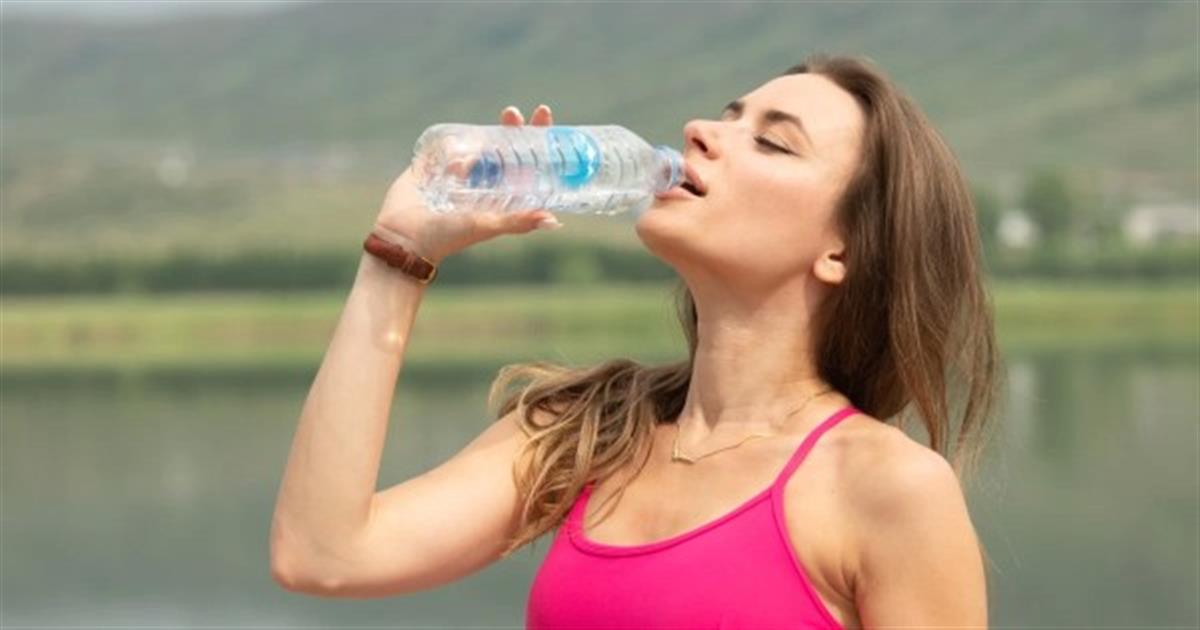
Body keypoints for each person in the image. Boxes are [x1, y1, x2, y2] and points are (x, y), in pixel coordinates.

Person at [269, 53, 1001, 630]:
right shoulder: (588, 432)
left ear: (842, 250)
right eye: (727, 116)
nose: (700, 130)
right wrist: (398, 252)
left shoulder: (888, 488)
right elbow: (322, 554)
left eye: (772, 142)